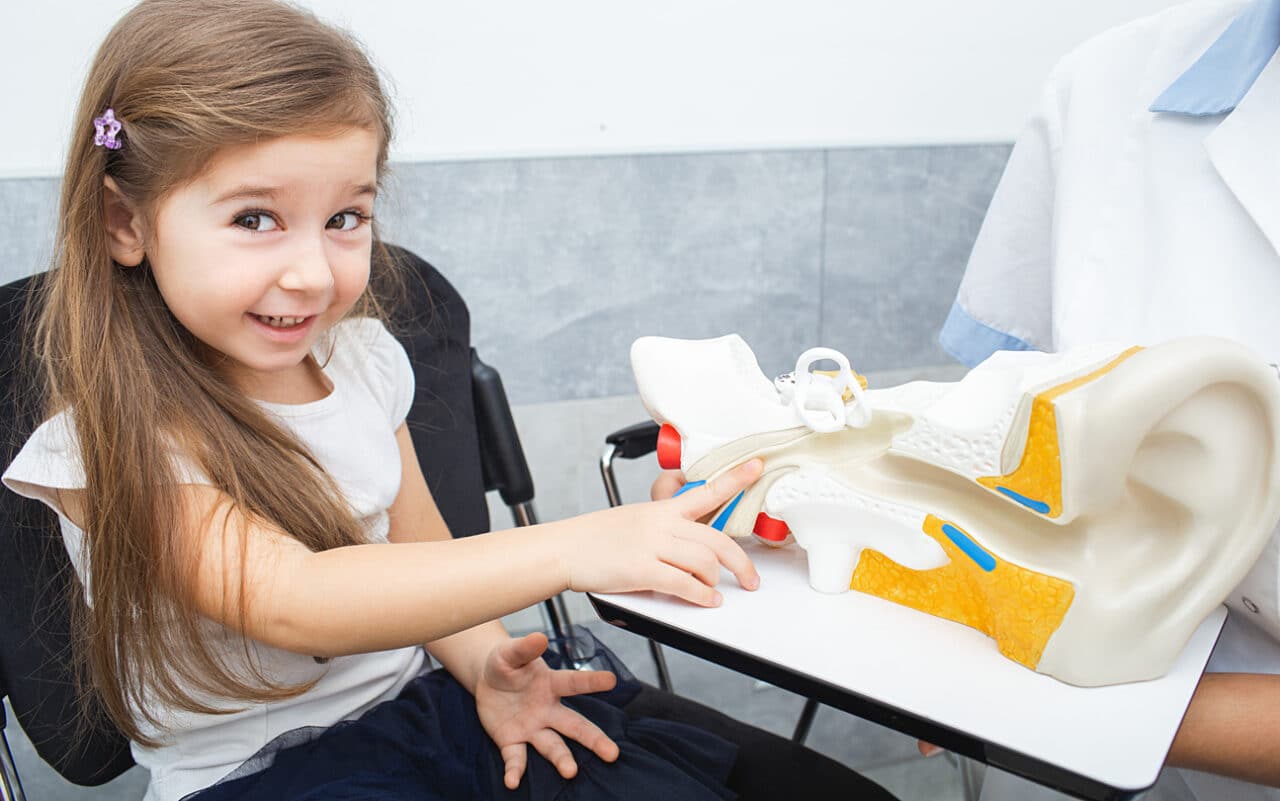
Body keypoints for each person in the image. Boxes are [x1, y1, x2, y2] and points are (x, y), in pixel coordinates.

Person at [0, 2, 902, 800]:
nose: (312, 271)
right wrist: (575, 546)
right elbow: (293, 597)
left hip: (429, 714)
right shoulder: (107, 444)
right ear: (126, 223)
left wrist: (485, 666)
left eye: (345, 217)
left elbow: (424, 552)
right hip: (265, 777)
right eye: (254, 219)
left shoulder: (362, 363)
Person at [936, 0, 1280, 798]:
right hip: (1061, 737)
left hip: (1060, 701)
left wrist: (1032, 696)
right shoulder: (1109, 85)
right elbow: (990, 445)